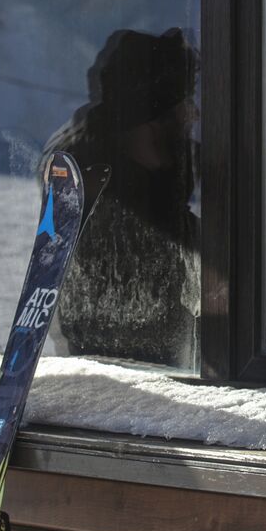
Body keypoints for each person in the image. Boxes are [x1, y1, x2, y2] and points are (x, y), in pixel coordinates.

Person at [42, 27, 200, 368]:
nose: (195, 115)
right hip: (124, 391)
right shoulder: (98, 204)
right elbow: (134, 324)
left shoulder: (159, 186)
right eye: (186, 102)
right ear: (154, 117)